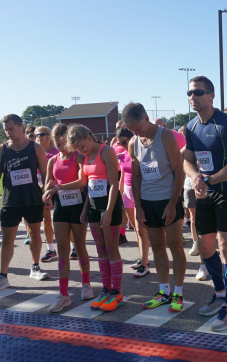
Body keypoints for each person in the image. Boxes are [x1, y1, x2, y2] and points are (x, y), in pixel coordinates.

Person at [183, 76, 227, 332]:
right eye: (189, 92)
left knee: (226, 246)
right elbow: (186, 160)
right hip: (204, 193)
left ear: (211, 96)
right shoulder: (190, 127)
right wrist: (194, 175)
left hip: (225, 193)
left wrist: (209, 181)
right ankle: (219, 294)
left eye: (197, 92)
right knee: (205, 246)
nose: (192, 96)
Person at [123, 103, 187, 312]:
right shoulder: (134, 142)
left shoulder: (166, 136)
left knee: (175, 245)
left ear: (146, 118)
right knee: (157, 247)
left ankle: (178, 292)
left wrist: (172, 203)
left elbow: (179, 172)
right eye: (132, 130)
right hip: (147, 202)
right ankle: (164, 291)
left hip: (168, 199)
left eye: (138, 127)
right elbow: (137, 176)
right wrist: (138, 206)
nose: (137, 132)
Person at [62, 124, 124, 312]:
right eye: (78, 148)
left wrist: (109, 210)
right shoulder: (86, 156)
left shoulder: (107, 151)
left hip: (109, 205)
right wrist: (85, 208)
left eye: (82, 146)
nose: (81, 151)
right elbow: (90, 184)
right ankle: (105, 289)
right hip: (94, 207)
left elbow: (114, 184)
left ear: (89, 136)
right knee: (100, 249)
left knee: (111, 247)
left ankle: (116, 292)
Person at [0, 114, 51, 292]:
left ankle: (35, 267)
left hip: (32, 198)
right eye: (6, 129)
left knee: (35, 234)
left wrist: (47, 193)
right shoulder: (1, 149)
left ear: (21, 127)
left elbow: (45, 173)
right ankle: (2, 276)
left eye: (11, 128)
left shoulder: (36, 148)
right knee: (7, 239)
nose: (8, 132)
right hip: (11, 199)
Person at [41, 123, 93, 312]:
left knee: (79, 246)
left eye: (61, 138)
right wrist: (46, 192)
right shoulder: (52, 160)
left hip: (78, 205)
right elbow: (48, 182)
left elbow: (82, 181)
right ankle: (63, 294)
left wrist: (59, 187)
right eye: (55, 139)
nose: (58, 142)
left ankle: (86, 284)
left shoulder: (78, 157)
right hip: (61, 207)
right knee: (62, 247)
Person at [116, 127, 151, 278]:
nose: (122, 145)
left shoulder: (141, 153)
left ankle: (145, 264)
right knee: (136, 230)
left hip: (139, 192)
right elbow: (122, 176)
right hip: (127, 193)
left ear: (132, 138)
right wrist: (120, 192)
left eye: (124, 141)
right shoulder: (123, 155)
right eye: (119, 142)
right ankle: (143, 257)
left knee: (141, 228)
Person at [34, 126, 59, 262]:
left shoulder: (56, 152)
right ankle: (51, 249)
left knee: (64, 220)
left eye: (41, 134)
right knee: (46, 220)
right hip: (41, 189)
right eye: (36, 135)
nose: (38, 137)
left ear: (49, 136)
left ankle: (74, 248)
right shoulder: (36, 152)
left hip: (57, 189)